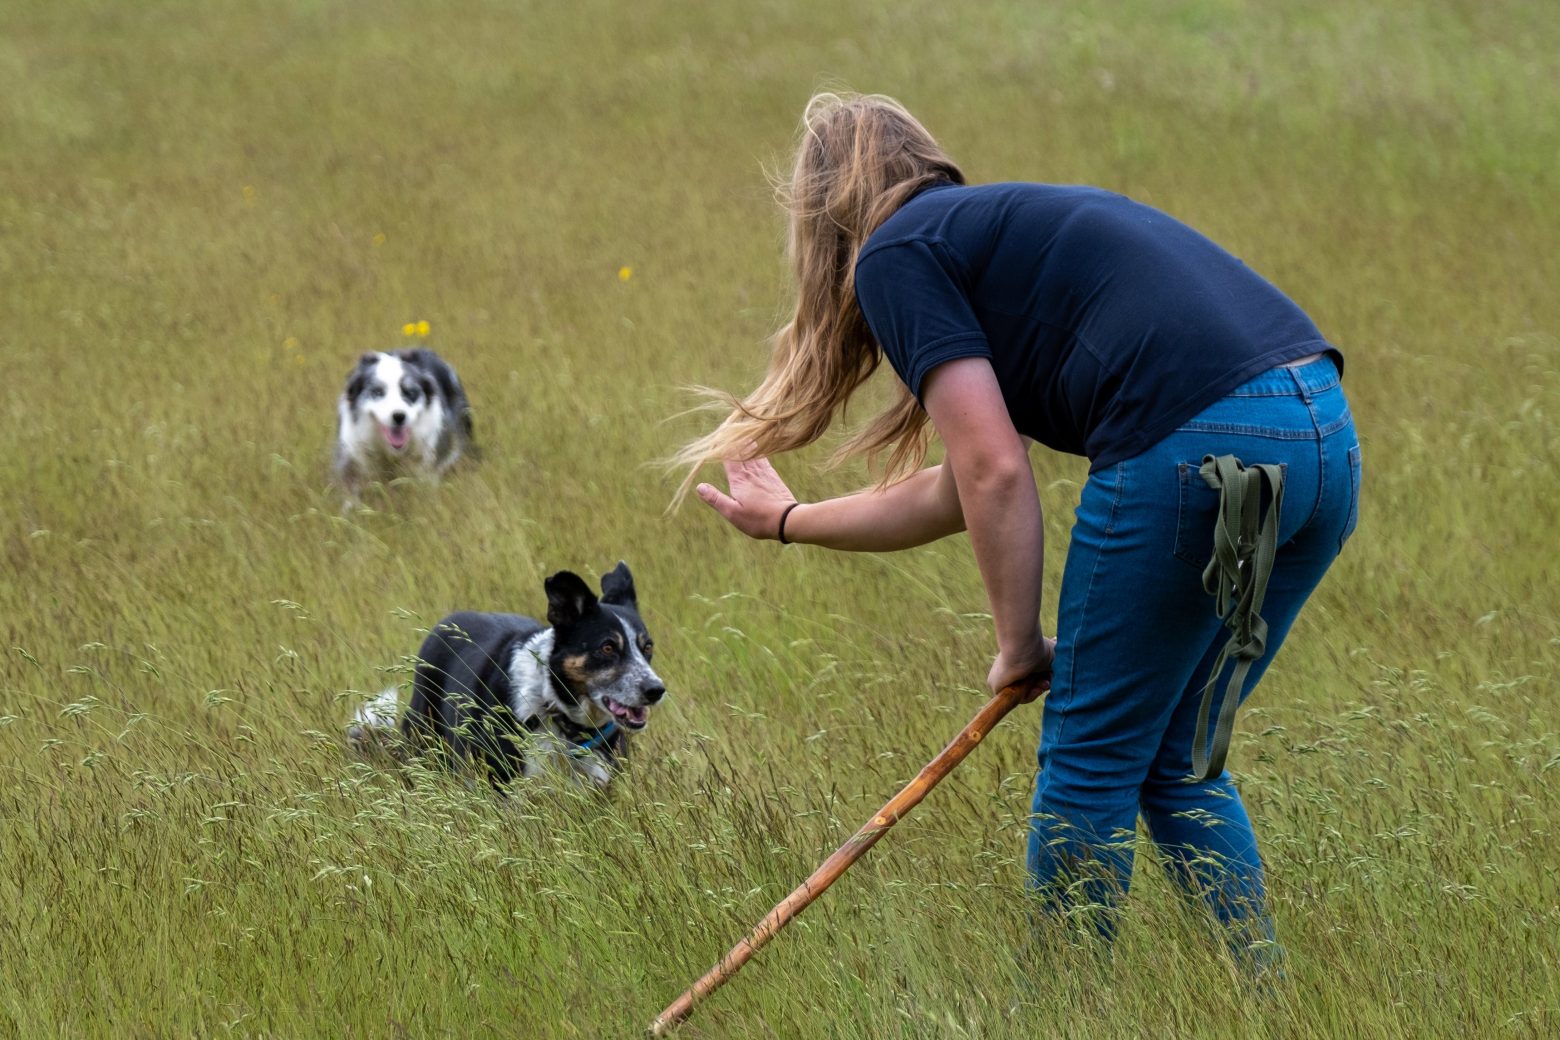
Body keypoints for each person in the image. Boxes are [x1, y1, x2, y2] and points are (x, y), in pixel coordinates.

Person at [676, 92, 1360, 957]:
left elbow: (995, 469)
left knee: (1091, 764)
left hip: (1196, 445)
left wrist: (1016, 643)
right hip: (1321, 441)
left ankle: (1062, 1009)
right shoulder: (1001, 238)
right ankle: (1269, 1005)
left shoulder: (895, 254)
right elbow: (962, 484)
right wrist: (789, 521)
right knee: (1180, 758)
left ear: (826, 217)